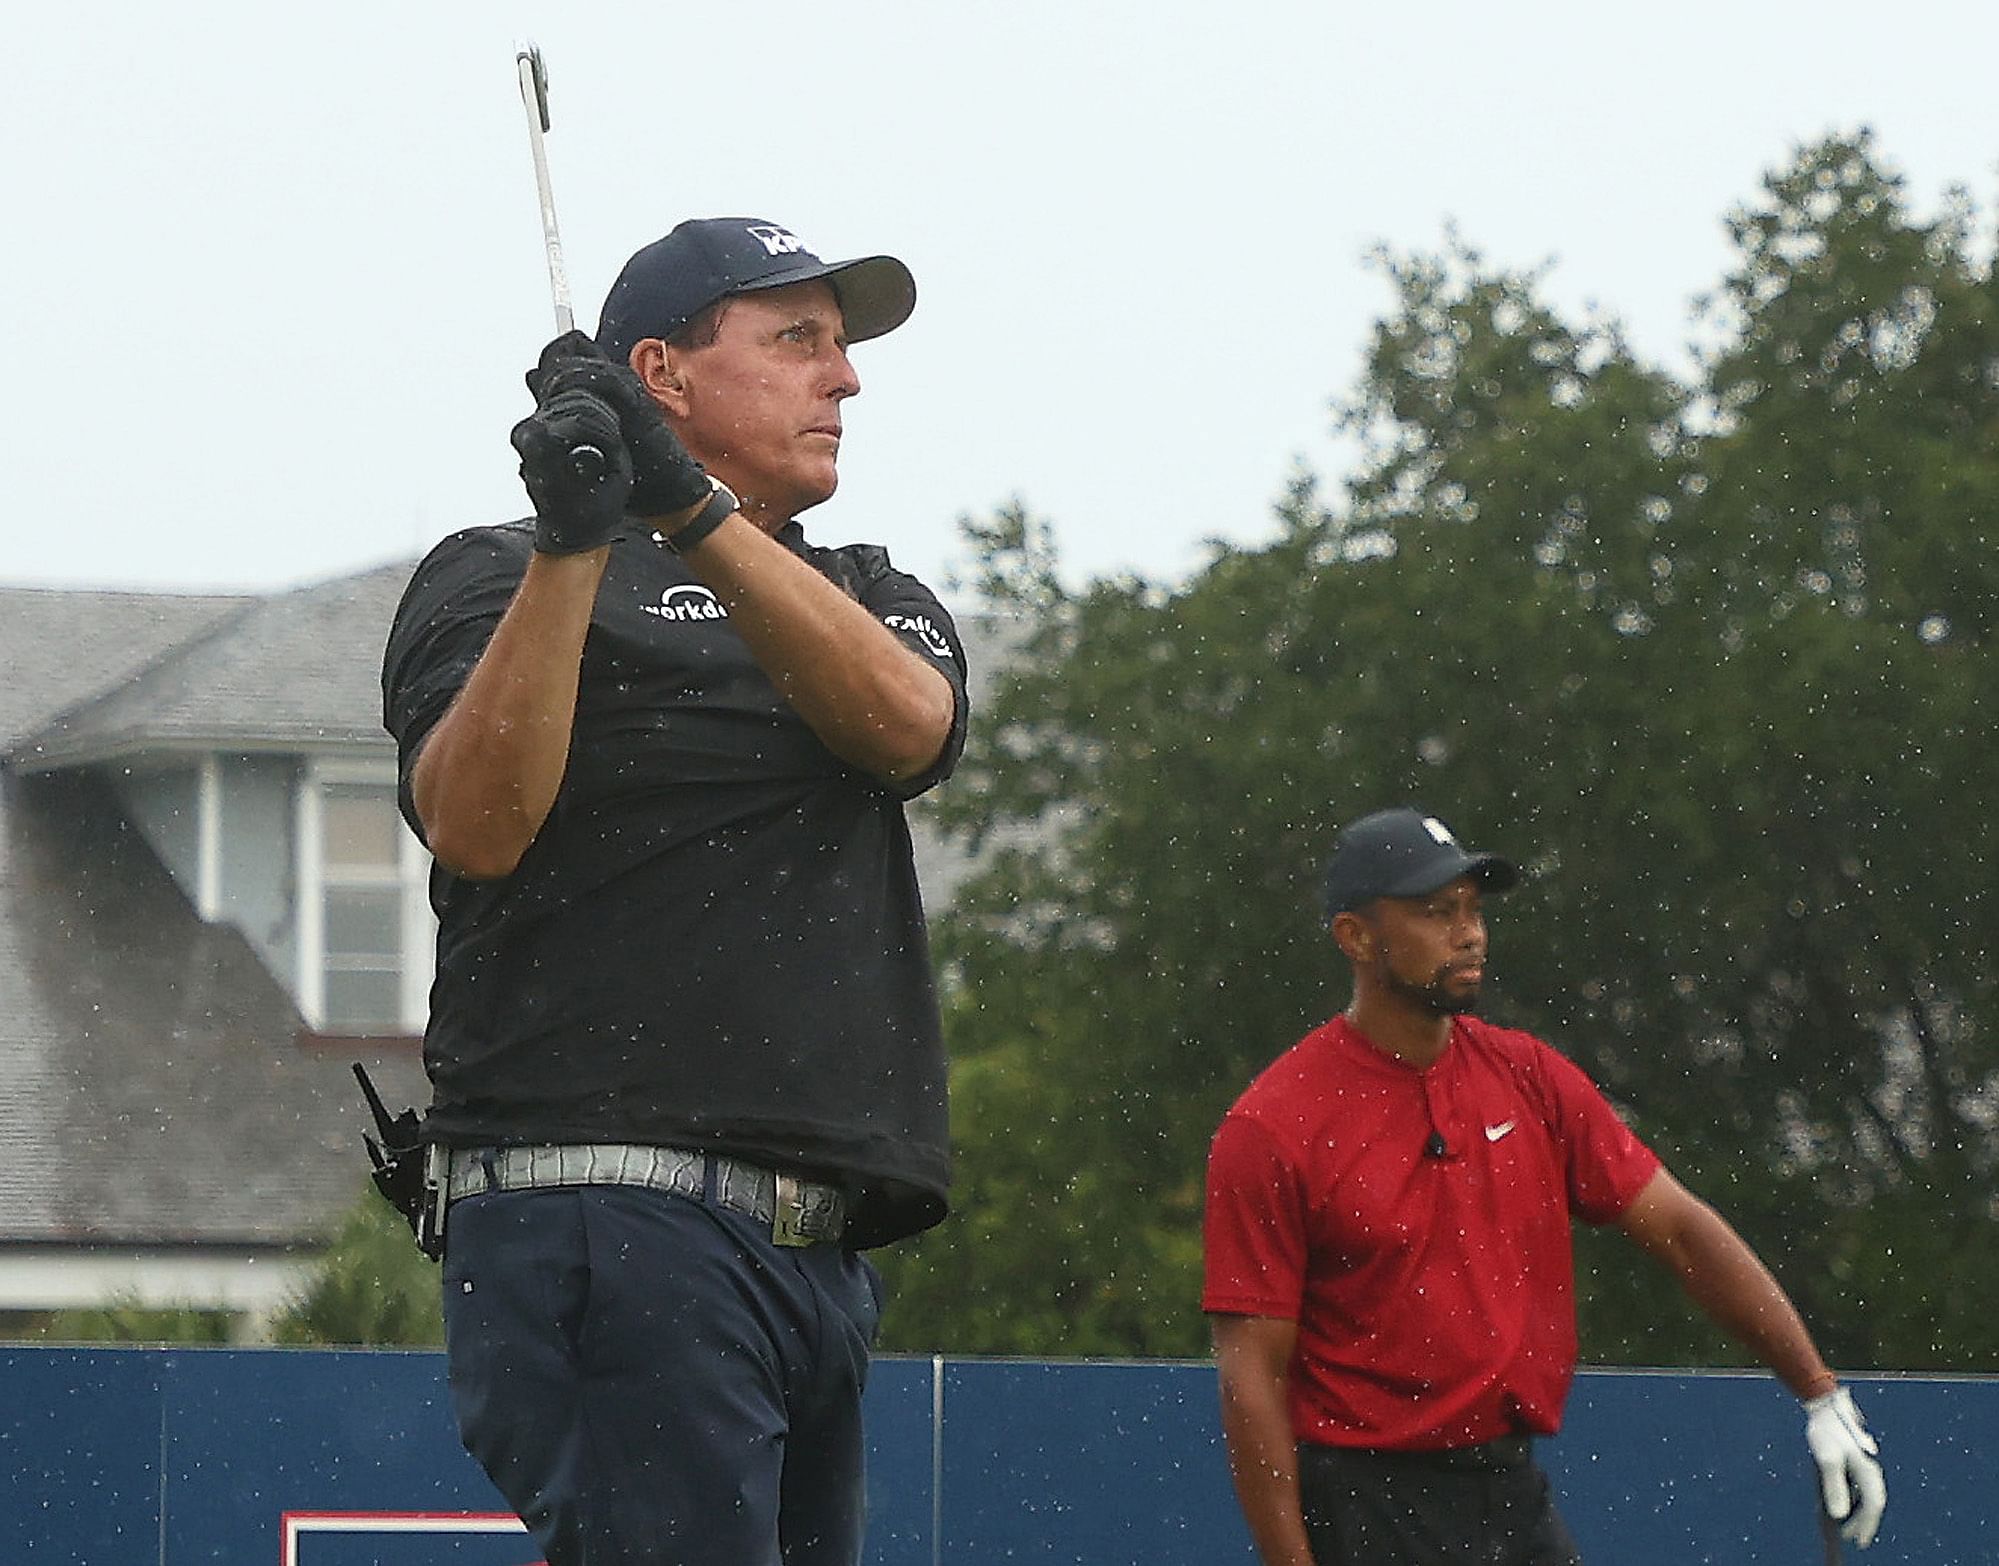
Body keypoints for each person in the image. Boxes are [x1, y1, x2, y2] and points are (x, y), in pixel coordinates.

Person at [380, 217, 969, 1566]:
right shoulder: (489, 574)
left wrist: (687, 511)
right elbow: (474, 821)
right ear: (663, 370)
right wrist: (577, 540)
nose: (845, 380)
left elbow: (908, 731)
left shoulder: (863, 590)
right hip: (609, 1206)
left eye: (839, 347)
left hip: (814, 1251)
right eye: (796, 341)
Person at [1202, 806, 1888, 1566]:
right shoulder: (1271, 1126)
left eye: (1471, 910)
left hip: (1507, 1492)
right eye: (1435, 913)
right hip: (1367, 1507)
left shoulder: (1527, 1075)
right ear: (1355, 938)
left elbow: (1681, 1232)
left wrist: (1817, 1390)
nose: (1468, 933)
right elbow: (1251, 1378)